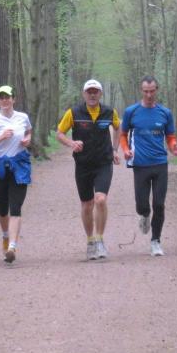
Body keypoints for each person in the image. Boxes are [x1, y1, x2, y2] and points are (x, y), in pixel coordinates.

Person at [119, 75, 177, 257]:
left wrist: (174, 147)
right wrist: (125, 150)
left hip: (160, 164)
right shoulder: (131, 111)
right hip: (140, 164)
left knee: (159, 204)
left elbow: (170, 137)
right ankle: (145, 215)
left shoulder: (165, 113)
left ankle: (156, 241)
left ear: (157, 90)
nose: (149, 95)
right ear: (142, 91)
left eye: (152, 91)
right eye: (146, 91)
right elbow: (123, 134)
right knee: (142, 205)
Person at [56, 79, 121, 260]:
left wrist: (115, 149)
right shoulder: (74, 113)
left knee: (100, 199)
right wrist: (71, 143)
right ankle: (90, 241)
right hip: (83, 164)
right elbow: (59, 133)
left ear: (100, 94)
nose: (92, 95)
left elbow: (118, 128)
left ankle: (100, 240)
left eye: (95, 92)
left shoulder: (109, 112)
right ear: (84, 94)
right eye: (89, 92)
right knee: (87, 205)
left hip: (103, 163)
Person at [0, 85, 32, 264]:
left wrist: (27, 140)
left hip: (19, 167)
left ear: (13, 99)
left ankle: (12, 247)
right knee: (3, 209)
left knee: (16, 207)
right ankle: (5, 236)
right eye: (1, 97)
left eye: (7, 97)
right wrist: (0, 137)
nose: (4, 100)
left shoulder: (22, 117)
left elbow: (28, 131)